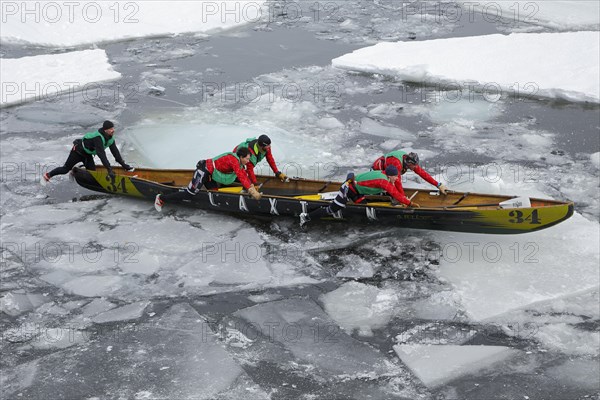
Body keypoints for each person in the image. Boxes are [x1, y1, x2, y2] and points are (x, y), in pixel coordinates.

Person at [299, 165, 418, 227]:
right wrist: (410, 203)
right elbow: (395, 193)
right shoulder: (384, 181)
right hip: (348, 189)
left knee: (363, 206)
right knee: (331, 209)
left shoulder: (383, 174)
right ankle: (306, 216)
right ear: (390, 176)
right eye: (395, 176)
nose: (397, 178)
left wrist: (403, 200)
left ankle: (353, 219)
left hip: (356, 190)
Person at [154, 147, 261, 212]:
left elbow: (243, 175)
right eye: (247, 158)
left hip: (210, 174)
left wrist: (251, 186)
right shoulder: (233, 160)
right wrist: (251, 190)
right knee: (190, 193)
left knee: (214, 193)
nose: (248, 161)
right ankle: (161, 198)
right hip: (204, 170)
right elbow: (240, 176)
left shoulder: (239, 163)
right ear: (241, 157)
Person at [41, 121, 133, 185]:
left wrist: (124, 165)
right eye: (111, 129)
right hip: (77, 152)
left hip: (87, 155)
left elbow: (115, 153)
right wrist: (109, 170)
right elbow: (101, 155)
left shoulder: (110, 138)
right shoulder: (98, 138)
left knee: (92, 174)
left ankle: (75, 172)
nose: (113, 130)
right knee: (65, 169)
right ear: (105, 130)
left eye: (113, 128)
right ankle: (47, 175)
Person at [371, 150, 448, 199]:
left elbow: (423, 174)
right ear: (409, 163)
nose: (415, 167)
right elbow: (397, 182)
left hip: (388, 171)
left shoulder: (408, 161)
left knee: (393, 185)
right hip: (376, 172)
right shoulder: (397, 163)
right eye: (414, 165)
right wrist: (403, 198)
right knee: (389, 186)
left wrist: (438, 185)